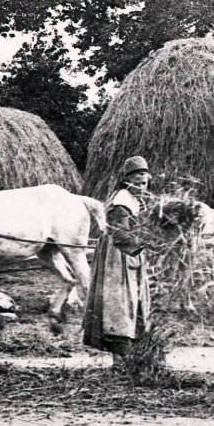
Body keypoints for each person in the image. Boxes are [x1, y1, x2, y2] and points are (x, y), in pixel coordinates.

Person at [83, 155, 152, 362]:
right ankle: (119, 358)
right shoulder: (121, 202)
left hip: (132, 255)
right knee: (118, 303)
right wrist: (147, 240)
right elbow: (120, 235)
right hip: (117, 257)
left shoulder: (135, 200)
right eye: (138, 183)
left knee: (133, 301)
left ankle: (129, 356)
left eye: (145, 182)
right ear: (127, 181)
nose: (142, 187)